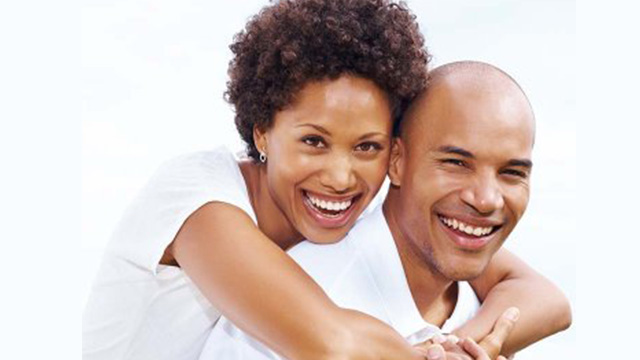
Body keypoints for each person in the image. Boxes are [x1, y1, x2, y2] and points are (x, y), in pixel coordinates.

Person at [82, 1, 570, 359]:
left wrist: (473, 341)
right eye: (314, 141)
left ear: (393, 157)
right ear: (262, 131)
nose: (340, 177)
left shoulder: (359, 199)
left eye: (366, 146)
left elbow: (540, 293)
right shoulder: (199, 202)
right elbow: (331, 341)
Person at [196, 61, 571, 360]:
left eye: (512, 172)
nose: (487, 199)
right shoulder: (292, 312)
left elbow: (551, 301)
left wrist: (459, 345)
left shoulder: (482, 304)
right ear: (396, 161)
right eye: (455, 163)